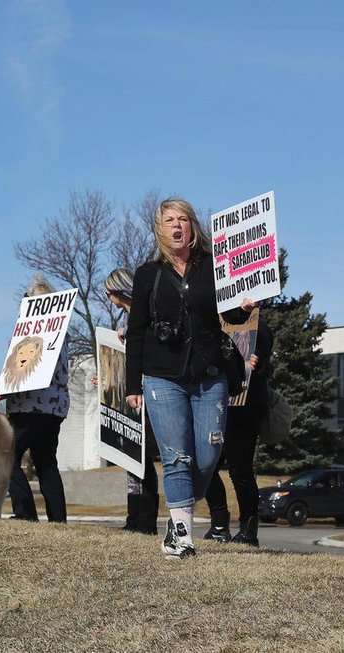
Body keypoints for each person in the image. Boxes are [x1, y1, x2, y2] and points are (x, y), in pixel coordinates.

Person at [125, 197, 254, 559]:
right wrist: (133, 384)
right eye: (169, 220)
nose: (177, 225)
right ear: (160, 228)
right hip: (161, 377)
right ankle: (181, 534)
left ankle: (178, 510)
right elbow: (136, 331)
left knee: (209, 453)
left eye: (183, 219)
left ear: (193, 226)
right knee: (176, 457)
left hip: (209, 375)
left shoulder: (213, 268)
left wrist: (243, 307)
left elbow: (231, 314)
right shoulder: (147, 274)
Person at [0, 275, 70, 523]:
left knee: (7, 456)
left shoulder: (33, 334)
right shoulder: (61, 334)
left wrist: (3, 389)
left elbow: (24, 372)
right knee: (46, 462)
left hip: (28, 406)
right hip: (54, 408)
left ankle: (25, 513)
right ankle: (58, 519)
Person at [203, 312, 274, 546]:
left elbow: (265, 365)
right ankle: (219, 523)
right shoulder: (212, 323)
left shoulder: (259, 327)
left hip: (245, 406)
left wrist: (259, 362)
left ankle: (248, 530)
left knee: (240, 469)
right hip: (216, 400)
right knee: (206, 463)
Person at [103, 267, 159, 535]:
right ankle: (133, 517)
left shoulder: (145, 314)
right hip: (132, 399)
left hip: (150, 397)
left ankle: (146, 521)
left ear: (116, 292)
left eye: (108, 291)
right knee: (131, 461)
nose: (106, 296)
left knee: (143, 461)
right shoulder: (126, 320)